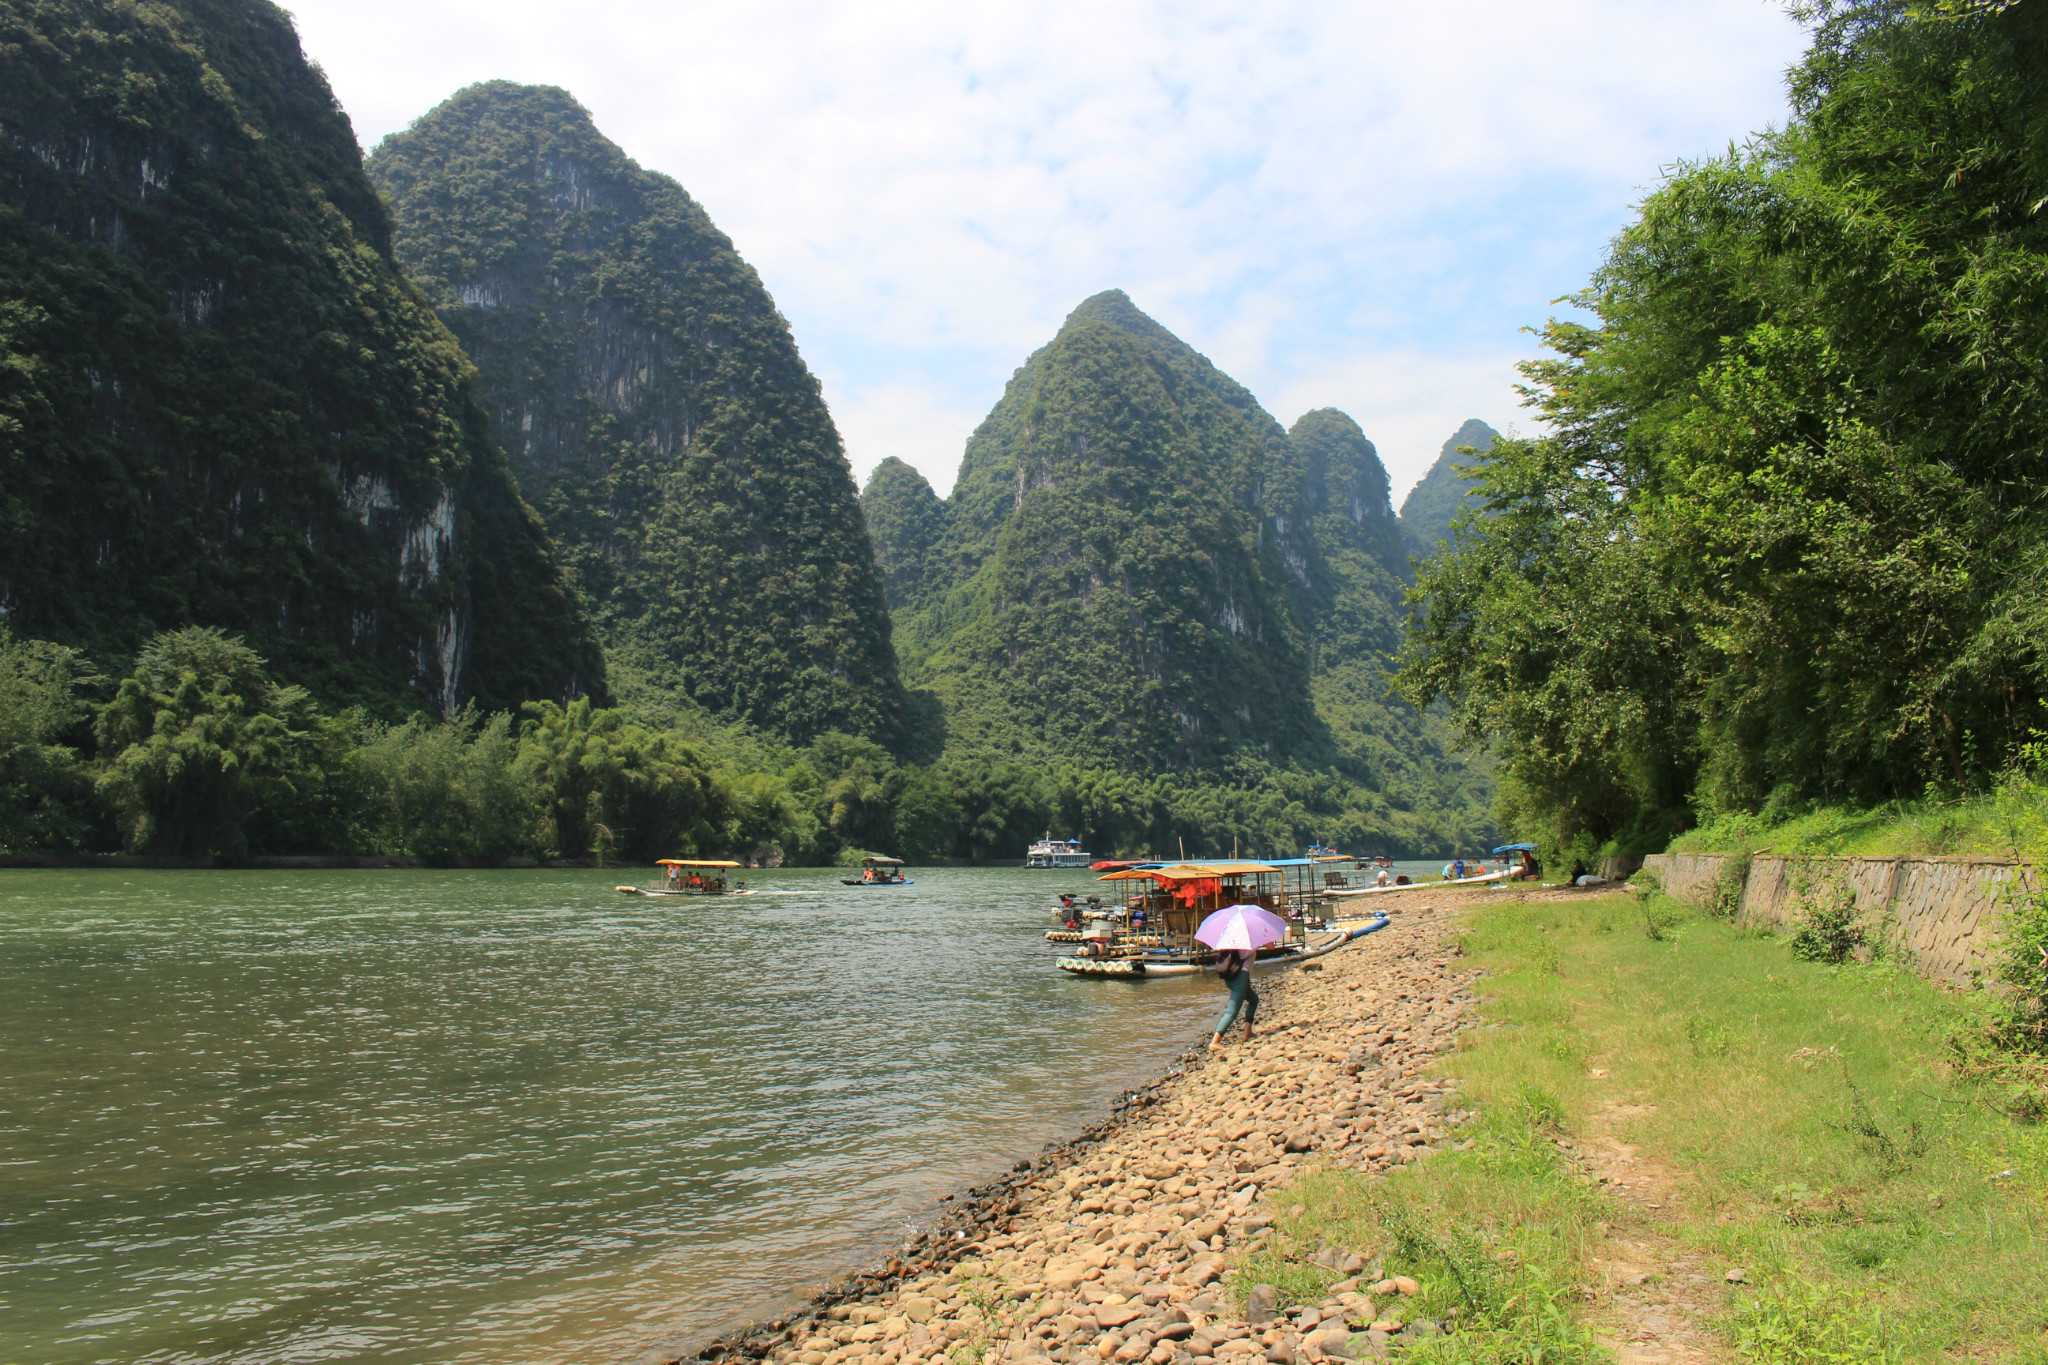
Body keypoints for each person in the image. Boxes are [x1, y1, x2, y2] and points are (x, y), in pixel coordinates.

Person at [1210, 948, 1259, 1050]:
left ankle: (1247, 1032)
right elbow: (1271, 946)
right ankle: (1215, 1041)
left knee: (1254, 1000)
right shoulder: (1248, 944)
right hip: (1240, 977)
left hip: (1232, 976)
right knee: (1232, 1011)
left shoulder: (1233, 942)